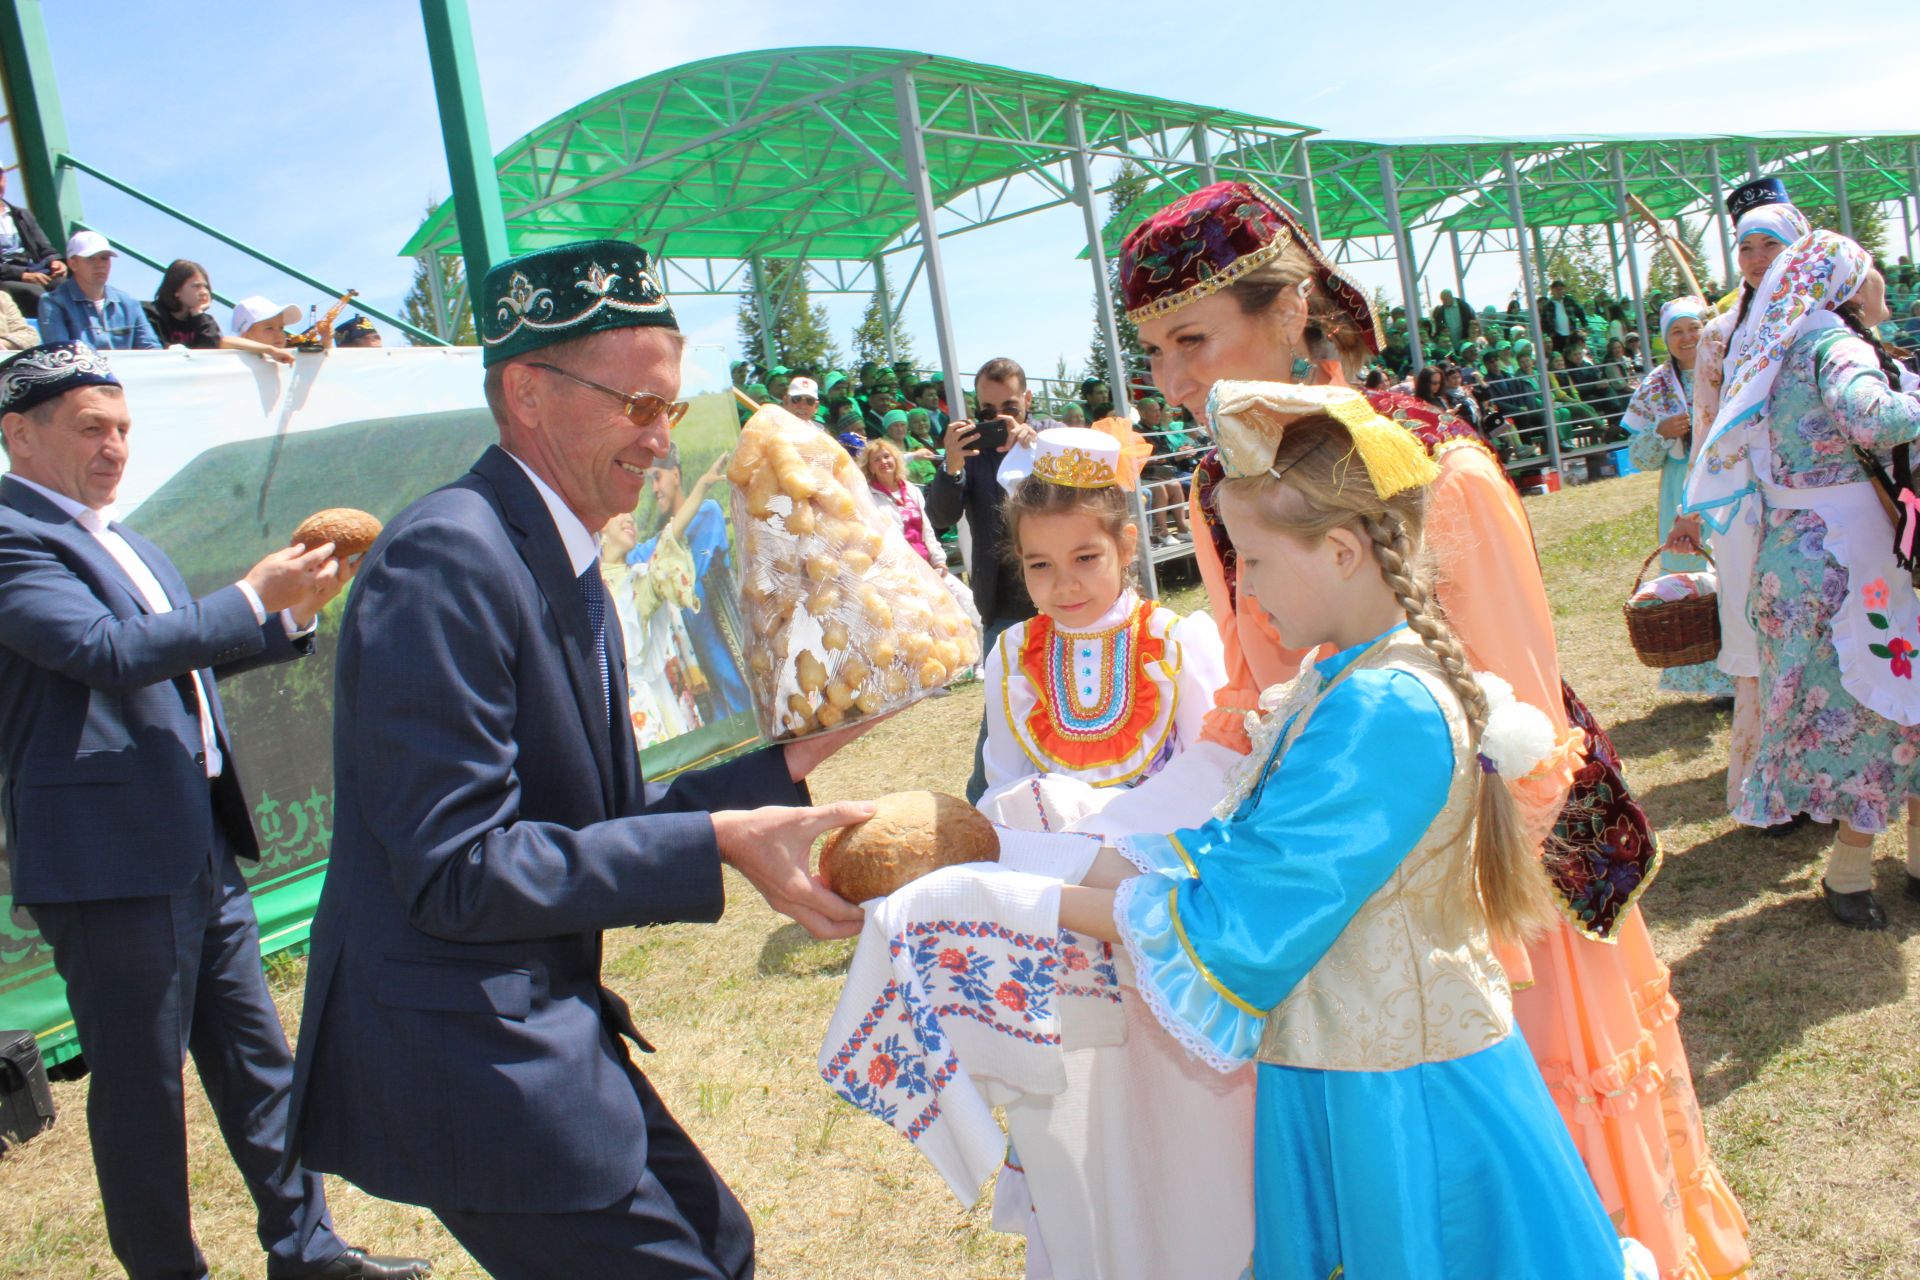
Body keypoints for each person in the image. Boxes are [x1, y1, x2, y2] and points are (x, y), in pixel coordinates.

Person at [1115, 180, 1751, 1278]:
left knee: (1526, 1176)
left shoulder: (1437, 468)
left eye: (1190, 340)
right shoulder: (1225, 492)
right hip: (1343, 895)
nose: (1171, 382)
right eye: (1152, 353)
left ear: (1292, 310)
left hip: (1493, 887)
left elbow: (1516, 723)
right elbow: (1246, 696)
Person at [284, 240, 874, 1278]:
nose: (661, 441)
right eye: (638, 407)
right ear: (528, 391)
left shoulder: (552, 551)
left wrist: (786, 764)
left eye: (671, 411)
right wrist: (717, 839)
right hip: (461, 1053)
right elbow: (457, 868)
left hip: (526, 1020)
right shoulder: (448, 558)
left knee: (722, 1245)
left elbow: (596, 812)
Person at [1050, 391, 1658, 1280]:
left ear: (1340, 551)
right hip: (1348, 1065)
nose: (1243, 588)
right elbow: (1244, 849)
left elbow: (1248, 914)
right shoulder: (1342, 680)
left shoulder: (1381, 705)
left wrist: (1032, 903)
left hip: (1402, 1099)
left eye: (1253, 561)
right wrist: (1066, 858)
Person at [0, 342, 430, 1280]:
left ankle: (307, 1250)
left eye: (122, 429)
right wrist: (247, 595)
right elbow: (107, 652)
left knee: (259, 1064)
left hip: (196, 843)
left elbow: (172, 655)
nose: (115, 448)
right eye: (90, 430)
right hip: (106, 863)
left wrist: (284, 616)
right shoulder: (8, 538)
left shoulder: (131, 542)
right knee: (142, 1094)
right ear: (17, 437)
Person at [1682, 231, 1920, 932]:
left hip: (1791, 556)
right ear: (1847, 283)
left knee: (1871, 705)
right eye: (1870, 272)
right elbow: (1874, 419)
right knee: (1881, 707)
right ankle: (1850, 868)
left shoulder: (1774, 345)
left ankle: (1878, 864)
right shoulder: (1834, 344)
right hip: (1848, 562)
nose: (1879, 283)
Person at [1672, 184, 1814, 830]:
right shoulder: (1720, 336)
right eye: (1746, 247)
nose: (1756, 258)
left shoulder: (1823, 321)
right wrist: (1693, 508)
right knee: (1758, 640)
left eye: (1770, 245)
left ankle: (1823, 785)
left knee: (1816, 643)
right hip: (1746, 510)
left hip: (1817, 505)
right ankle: (1766, 791)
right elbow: (1704, 429)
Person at [924, 358, 1046, 802]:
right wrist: (951, 464)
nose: (998, 419)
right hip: (1005, 607)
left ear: (1028, 400)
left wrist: (1036, 451)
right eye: (987, 409)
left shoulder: (1050, 439)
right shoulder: (969, 453)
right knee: (1000, 719)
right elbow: (940, 517)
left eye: (1009, 406)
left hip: (1067, 599)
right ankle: (980, 807)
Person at [1621, 298, 1733, 697]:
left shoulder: (1729, 368)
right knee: (1692, 577)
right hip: (1679, 490)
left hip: (1729, 481)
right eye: (1676, 332)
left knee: (1734, 566)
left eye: (1692, 328)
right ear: (1666, 339)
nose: (1687, 338)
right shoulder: (1655, 386)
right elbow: (1637, 456)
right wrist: (1660, 432)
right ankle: (1708, 679)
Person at [144, 259, 295, 364]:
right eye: (196, 286)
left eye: (205, 287)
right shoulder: (151, 314)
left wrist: (199, 315)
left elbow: (212, 349)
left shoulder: (203, 320)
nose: (204, 292)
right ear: (176, 290)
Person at [36, 231, 161, 351]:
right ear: (72, 264)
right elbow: (60, 355)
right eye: (90, 258)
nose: (100, 265)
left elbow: (152, 351)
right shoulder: (53, 303)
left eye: (104, 258)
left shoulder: (129, 303)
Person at [859, 437, 943, 569]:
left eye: (887, 456)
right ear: (870, 468)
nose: (883, 462)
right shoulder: (867, 496)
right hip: (896, 568)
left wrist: (939, 560)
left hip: (927, 564)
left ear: (896, 460)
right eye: (876, 460)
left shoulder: (912, 490)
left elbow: (927, 529)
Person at [0, 166, 63, 316]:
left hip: (33, 269)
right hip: (6, 277)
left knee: (65, 287)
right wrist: (22, 275)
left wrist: (55, 261)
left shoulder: (21, 215)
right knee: (37, 295)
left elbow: (45, 248)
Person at [231, 295, 310, 351]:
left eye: (281, 328)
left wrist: (322, 340)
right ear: (246, 338)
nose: (279, 334)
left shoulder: (289, 361)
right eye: (269, 328)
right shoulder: (233, 366)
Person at [1539, 279, 1589, 355]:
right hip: (1556, 336)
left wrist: (1585, 324)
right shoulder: (1547, 305)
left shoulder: (1570, 300)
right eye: (1557, 289)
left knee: (1573, 354)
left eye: (1561, 289)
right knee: (1559, 355)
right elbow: (1543, 322)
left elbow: (1580, 311)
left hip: (1571, 334)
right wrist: (1550, 334)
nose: (1559, 291)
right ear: (1552, 290)